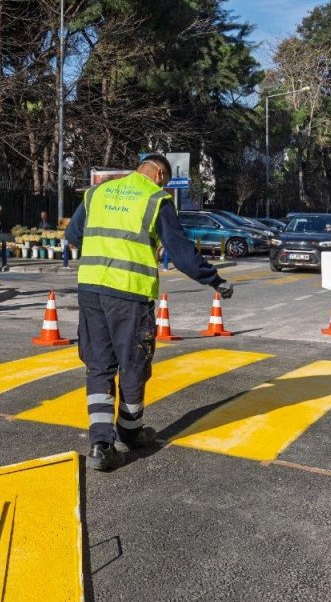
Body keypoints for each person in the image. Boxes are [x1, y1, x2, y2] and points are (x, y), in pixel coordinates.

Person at [66, 154, 233, 471]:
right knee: (133, 364)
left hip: (90, 289)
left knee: (99, 366)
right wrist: (216, 280)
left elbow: (74, 236)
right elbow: (181, 251)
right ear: (158, 174)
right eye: (166, 180)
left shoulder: (97, 193)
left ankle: (100, 445)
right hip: (129, 293)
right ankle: (129, 434)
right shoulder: (156, 199)